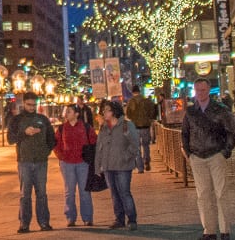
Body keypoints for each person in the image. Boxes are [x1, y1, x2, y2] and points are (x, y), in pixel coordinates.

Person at [181, 76, 235, 240]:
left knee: (221, 193)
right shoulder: (191, 112)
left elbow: (231, 132)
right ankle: (209, 231)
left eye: (203, 90)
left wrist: (224, 152)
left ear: (209, 90)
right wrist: (189, 154)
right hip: (197, 156)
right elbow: (185, 133)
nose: (200, 93)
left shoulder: (220, 109)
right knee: (203, 195)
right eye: (197, 90)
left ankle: (225, 230)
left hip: (215, 154)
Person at [7, 92, 55, 233]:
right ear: (24, 103)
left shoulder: (43, 119)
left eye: (34, 105)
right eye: (29, 105)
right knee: (25, 194)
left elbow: (51, 138)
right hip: (25, 162)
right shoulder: (17, 120)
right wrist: (24, 133)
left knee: (42, 193)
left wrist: (46, 151)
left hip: (41, 161)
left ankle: (44, 222)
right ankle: (24, 224)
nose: (32, 107)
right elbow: (10, 139)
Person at [94, 100, 139, 230]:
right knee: (114, 193)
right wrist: (98, 166)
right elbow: (99, 147)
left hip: (123, 166)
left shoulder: (126, 125)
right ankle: (119, 219)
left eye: (107, 110)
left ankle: (132, 219)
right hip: (108, 167)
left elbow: (134, 145)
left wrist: (125, 157)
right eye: (103, 110)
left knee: (124, 192)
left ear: (114, 112)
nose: (104, 113)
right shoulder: (104, 128)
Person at [53, 102, 97, 227]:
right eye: (66, 111)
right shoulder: (62, 128)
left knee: (84, 191)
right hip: (67, 164)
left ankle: (87, 218)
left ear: (77, 114)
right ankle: (70, 217)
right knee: (69, 191)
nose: (66, 114)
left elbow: (94, 141)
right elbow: (56, 144)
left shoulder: (86, 127)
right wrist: (61, 156)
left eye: (69, 111)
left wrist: (90, 157)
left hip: (83, 163)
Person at [123, 85, 157, 172]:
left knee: (137, 148)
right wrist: (149, 119)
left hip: (135, 127)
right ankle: (147, 160)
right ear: (139, 91)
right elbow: (152, 111)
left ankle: (140, 167)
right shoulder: (146, 100)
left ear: (133, 92)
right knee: (146, 145)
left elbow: (128, 114)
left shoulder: (131, 102)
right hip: (145, 126)